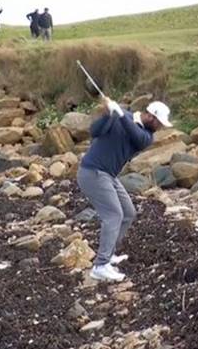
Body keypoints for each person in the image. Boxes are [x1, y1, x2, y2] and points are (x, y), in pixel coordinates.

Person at [78, 97, 172, 282]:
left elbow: (134, 135)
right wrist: (107, 115)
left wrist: (120, 115)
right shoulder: (122, 117)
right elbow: (95, 132)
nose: (160, 127)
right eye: (160, 123)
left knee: (128, 213)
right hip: (92, 172)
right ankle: (101, 265)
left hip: (108, 175)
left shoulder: (145, 136)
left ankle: (109, 253)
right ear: (151, 117)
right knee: (113, 215)